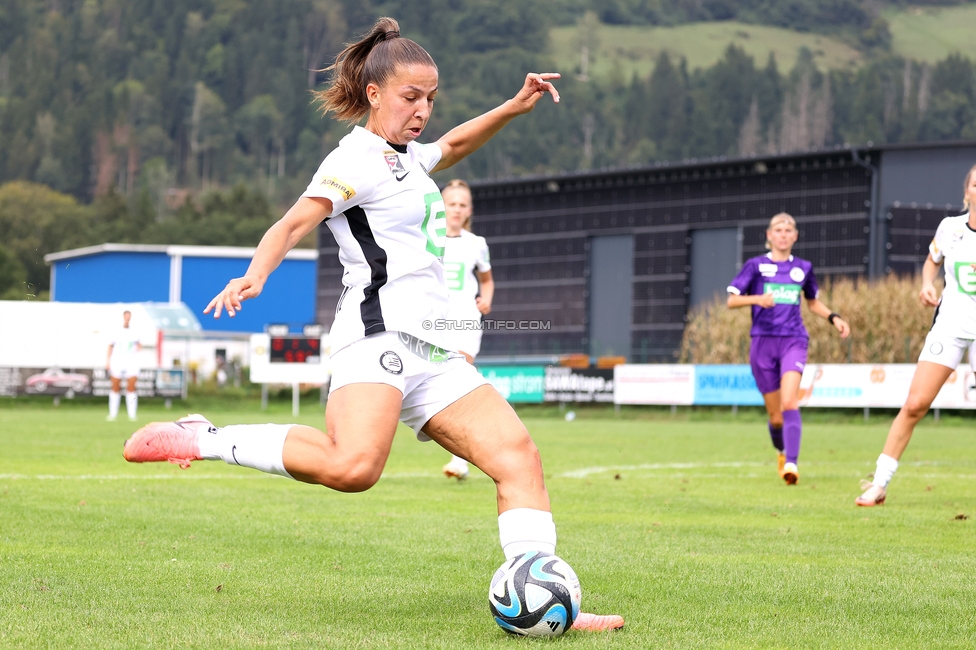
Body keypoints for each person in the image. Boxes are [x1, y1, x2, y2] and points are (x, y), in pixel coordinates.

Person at [122, 18, 622, 633]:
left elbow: (456, 146)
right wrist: (255, 275)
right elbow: (292, 224)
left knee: (518, 457)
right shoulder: (352, 160)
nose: (424, 110)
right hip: (375, 338)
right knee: (353, 469)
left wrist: (514, 107)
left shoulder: (408, 158)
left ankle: (543, 600)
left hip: (433, 349)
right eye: (412, 97)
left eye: (432, 98)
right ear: (375, 92)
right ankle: (205, 436)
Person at [857, 164, 976, 507]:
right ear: (966, 191)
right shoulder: (950, 228)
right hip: (950, 325)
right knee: (914, 404)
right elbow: (931, 262)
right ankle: (879, 484)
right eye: (975, 184)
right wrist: (926, 284)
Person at [727, 213, 851, 485]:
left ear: (795, 236)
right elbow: (731, 301)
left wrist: (834, 317)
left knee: (789, 402)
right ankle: (782, 452)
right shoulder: (755, 266)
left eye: (788, 230)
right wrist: (758, 299)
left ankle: (792, 464)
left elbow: (813, 302)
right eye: (778, 230)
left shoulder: (804, 268)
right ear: (769, 235)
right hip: (762, 342)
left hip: (793, 340)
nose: (783, 234)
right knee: (775, 416)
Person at [439, 179, 494, 481]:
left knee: (459, 386)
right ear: (442, 205)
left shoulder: (476, 244)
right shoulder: (427, 239)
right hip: (430, 322)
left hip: (465, 322)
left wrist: (486, 300)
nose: (457, 210)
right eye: (452, 204)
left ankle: (459, 460)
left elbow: (486, 280)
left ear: (469, 210)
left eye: (462, 205)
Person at [106, 309, 141, 421]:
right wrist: (108, 361)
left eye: (129, 317)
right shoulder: (116, 331)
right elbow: (110, 346)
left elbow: (139, 345)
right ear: (123, 317)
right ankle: (113, 414)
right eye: (126, 316)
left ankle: (132, 414)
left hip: (131, 362)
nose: (127, 319)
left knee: (131, 387)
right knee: (115, 386)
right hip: (117, 361)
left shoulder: (135, 331)